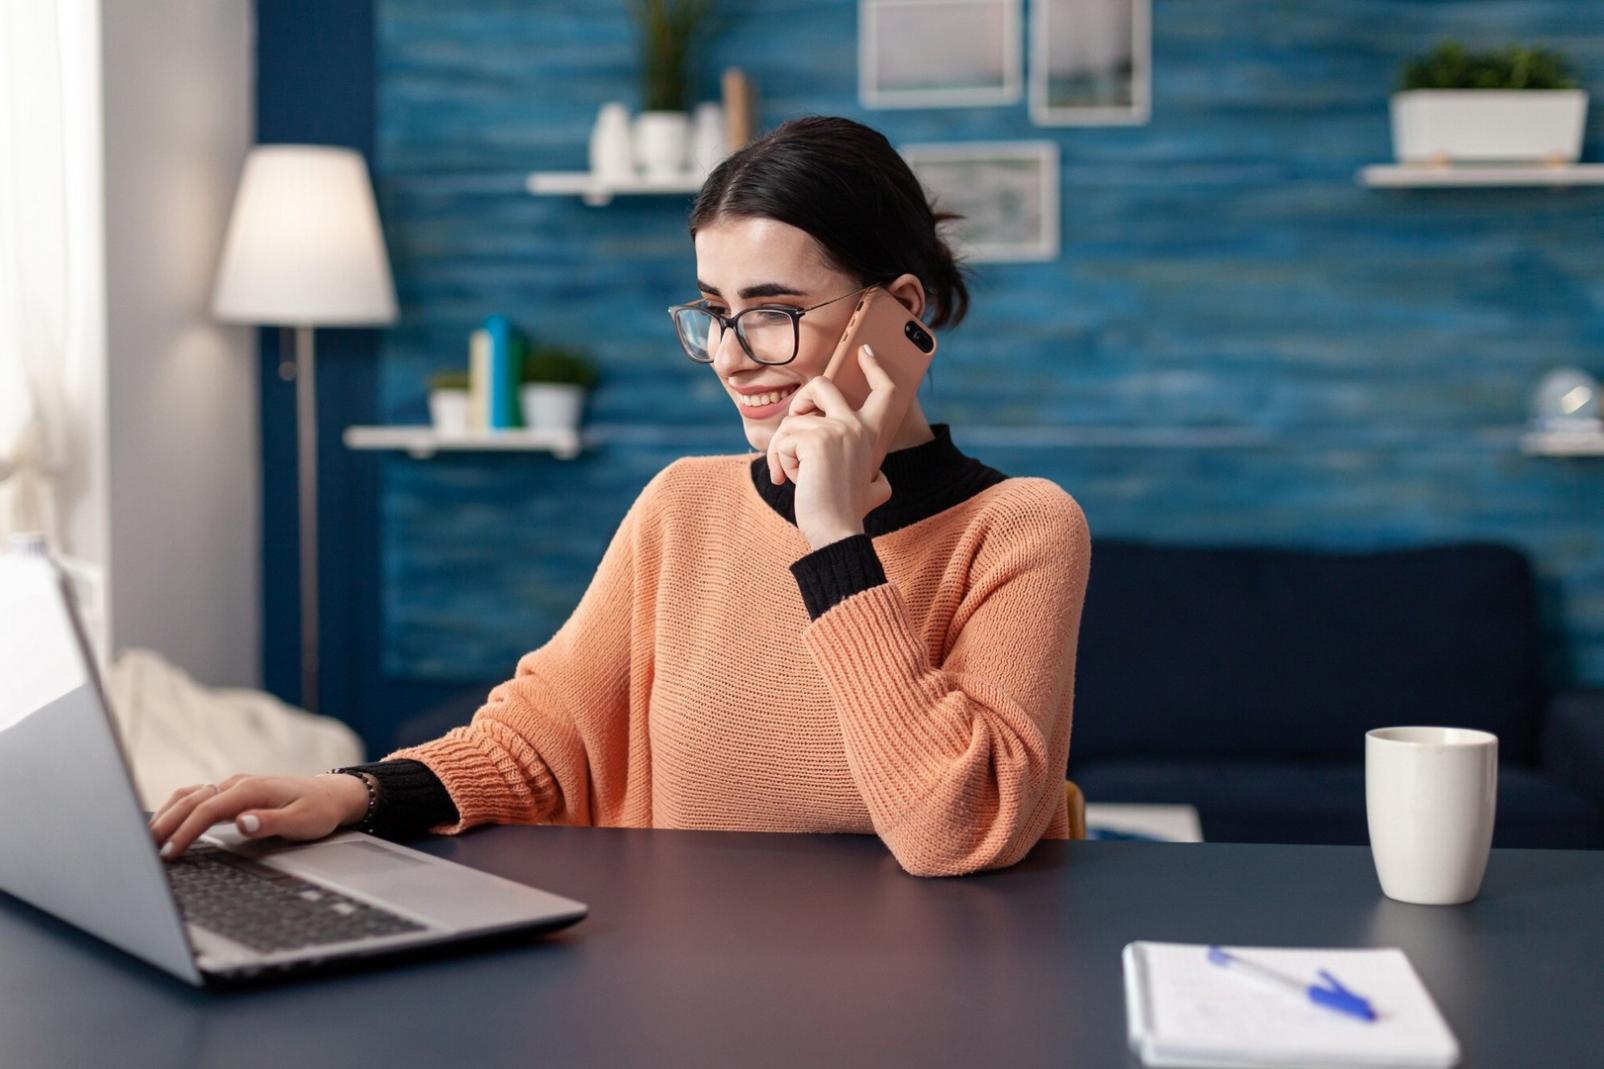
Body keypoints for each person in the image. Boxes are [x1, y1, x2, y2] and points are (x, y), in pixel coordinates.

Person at [149, 115, 1092, 878]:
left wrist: (837, 537)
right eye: (715, 313)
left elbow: (956, 825)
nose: (730, 358)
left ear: (900, 310)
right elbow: (543, 736)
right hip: (680, 985)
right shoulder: (683, 506)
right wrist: (354, 793)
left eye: (770, 312)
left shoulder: (1020, 529)